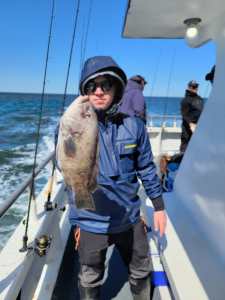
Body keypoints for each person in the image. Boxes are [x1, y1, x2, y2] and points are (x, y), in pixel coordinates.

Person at [57, 56, 167, 300]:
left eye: (106, 84)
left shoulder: (134, 126)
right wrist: (79, 222)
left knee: (140, 270)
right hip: (90, 220)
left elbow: (147, 167)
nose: (98, 91)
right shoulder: (72, 123)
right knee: (89, 275)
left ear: (117, 88)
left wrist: (158, 206)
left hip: (128, 216)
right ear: (84, 91)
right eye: (91, 86)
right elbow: (63, 164)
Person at [180, 80, 204, 153]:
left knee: (197, 147)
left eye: (196, 86)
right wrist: (191, 124)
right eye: (193, 86)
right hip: (188, 128)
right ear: (189, 87)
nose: (195, 88)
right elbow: (184, 114)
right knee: (186, 146)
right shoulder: (185, 100)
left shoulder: (200, 99)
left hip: (199, 126)